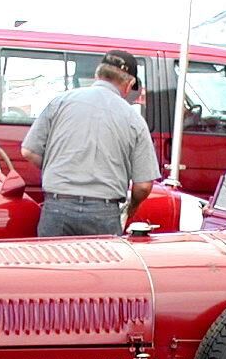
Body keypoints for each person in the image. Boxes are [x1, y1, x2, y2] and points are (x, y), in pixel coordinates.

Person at [21, 49, 161, 237]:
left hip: (58, 207)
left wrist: (59, 167)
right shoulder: (133, 119)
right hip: (103, 213)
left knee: (55, 258)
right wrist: (132, 207)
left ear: (97, 74)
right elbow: (143, 186)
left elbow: (29, 151)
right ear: (129, 84)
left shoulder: (60, 102)